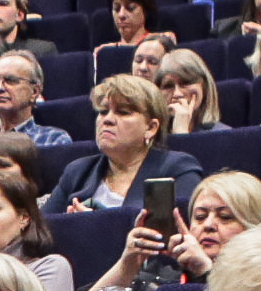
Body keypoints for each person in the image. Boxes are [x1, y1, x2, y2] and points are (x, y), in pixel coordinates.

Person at [46, 72, 201, 216]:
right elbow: (41, 229)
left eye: (123, 112)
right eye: (103, 111)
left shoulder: (177, 169)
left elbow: (177, 228)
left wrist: (94, 224)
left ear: (151, 128)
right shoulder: (77, 172)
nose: (107, 119)